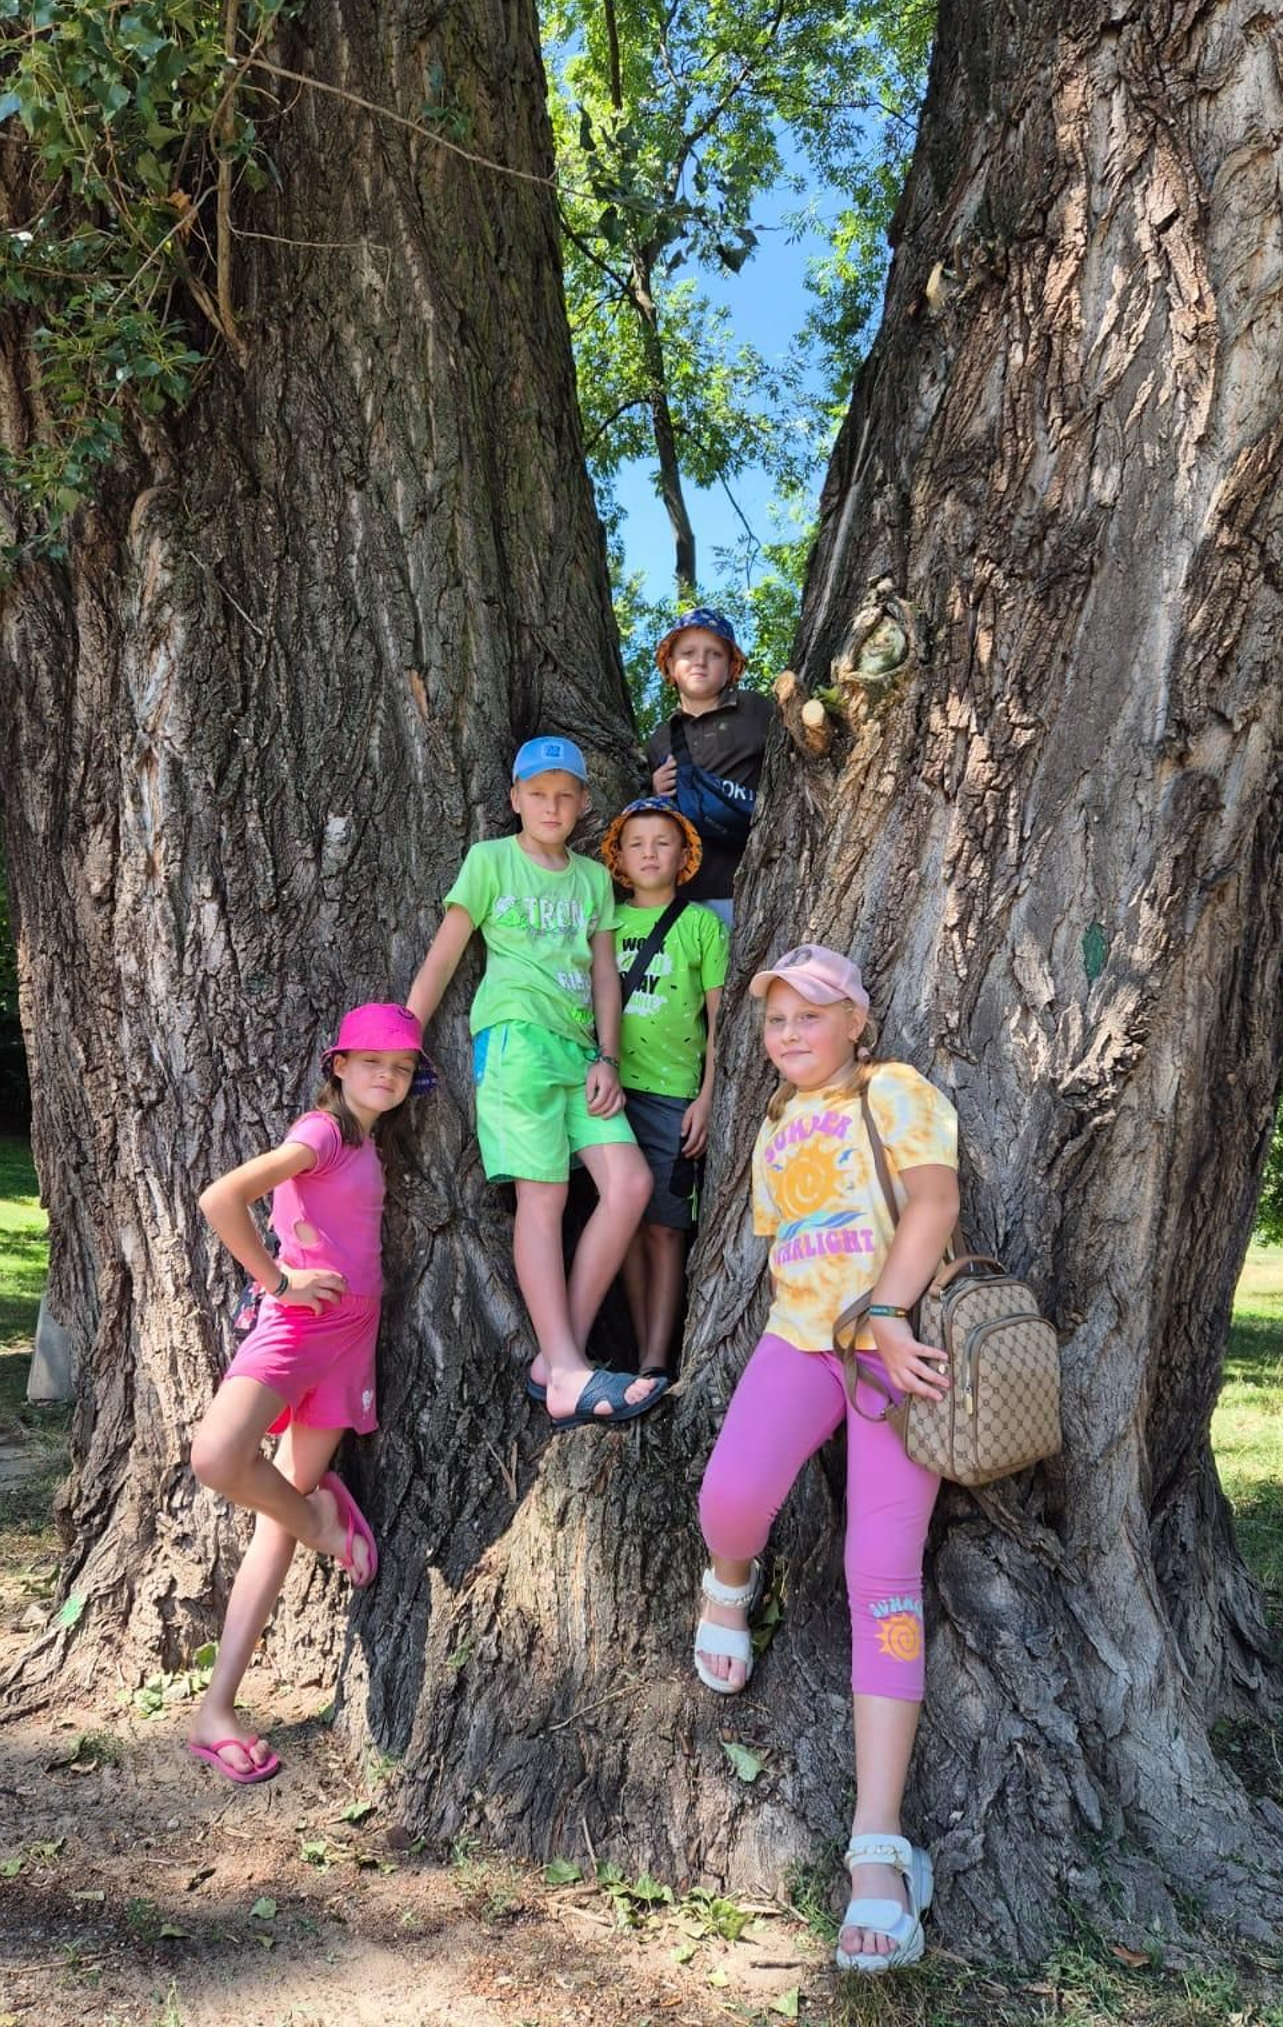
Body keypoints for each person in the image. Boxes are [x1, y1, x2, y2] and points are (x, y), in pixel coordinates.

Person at [693, 945, 959, 1976]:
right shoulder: (770, 1123)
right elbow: (785, 1241)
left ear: (857, 1020)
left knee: (880, 1584)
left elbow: (931, 1202)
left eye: (812, 1015)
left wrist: (887, 1311)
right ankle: (727, 1583)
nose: (790, 1034)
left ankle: (879, 1852)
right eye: (774, 1020)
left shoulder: (893, 1089)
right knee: (732, 1495)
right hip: (799, 1343)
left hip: (891, 1351)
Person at [186, 1003, 434, 1785]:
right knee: (218, 1456)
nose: (387, 1076)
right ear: (338, 1064)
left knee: (277, 1513)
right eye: (372, 1062)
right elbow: (222, 1198)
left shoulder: (364, 1139)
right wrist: (278, 1279)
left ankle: (217, 1709)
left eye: (400, 1068)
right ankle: (328, 1524)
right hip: (298, 1325)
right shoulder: (323, 1131)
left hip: (352, 1335)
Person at [407, 737, 663, 1430]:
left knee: (631, 1185)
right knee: (543, 1196)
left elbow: (606, 974)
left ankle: (559, 1357)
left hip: (583, 1056)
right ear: (515, 798)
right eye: (537, 793)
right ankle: (569, 1370)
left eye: (565, 794)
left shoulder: (590, 879)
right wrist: (405, 1032)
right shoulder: (491, 860)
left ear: (582, 804)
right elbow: (445, 953)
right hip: (516, 1043)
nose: (551, 805)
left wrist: (607, 1056)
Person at [600, 796, 728, 1384]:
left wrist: (707, 1096)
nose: (650, 853)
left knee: (665, 1227)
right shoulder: (604, 919)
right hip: (610, 1094)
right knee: (621, 1222)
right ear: (620, 859)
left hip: (674, 1095)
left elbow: (720, 1021)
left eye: (663, 842)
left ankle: (658, 1358)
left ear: (684, 856)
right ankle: (632, 1353)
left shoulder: (702, 925)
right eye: (637, 844)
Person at [645, 607, 774, 927]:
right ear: (671, 666)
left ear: (731, 667)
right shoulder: (661, 738)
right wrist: (656, 790)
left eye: (713, 654)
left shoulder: (755, 710)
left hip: (751, 880)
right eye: (688, 653)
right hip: (684, 889)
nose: (700, 661)